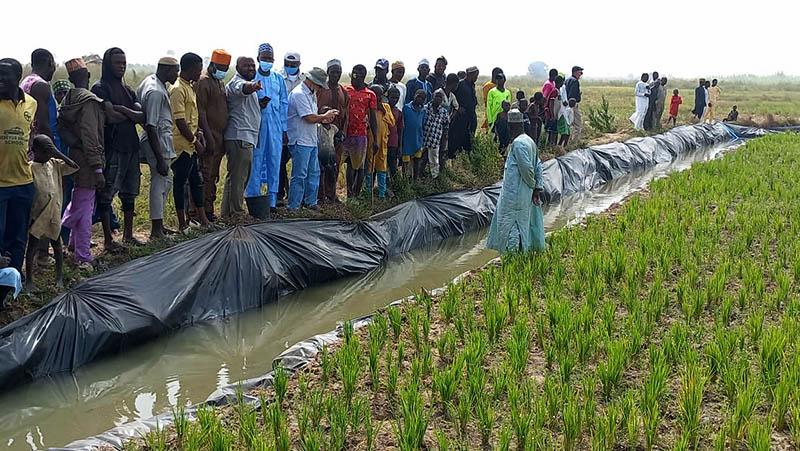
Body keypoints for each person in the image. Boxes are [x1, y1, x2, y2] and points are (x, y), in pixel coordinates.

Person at [91, 47, 144, 251]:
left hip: (131, 146)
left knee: (130, 192)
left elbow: (142, 116)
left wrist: (121, 109)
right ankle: (108, 239)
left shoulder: (128, 90)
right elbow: (110, 117)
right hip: (113, 147)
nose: (121, 66)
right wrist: (129, 114)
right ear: (107, 64)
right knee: (107, 193)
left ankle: (128, 235)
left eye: (123, 62)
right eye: (117, 63)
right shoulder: (100, 88)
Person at [57, 58, 105, 271]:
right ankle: (83, 255)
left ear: (70, 79)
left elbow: (62, 128)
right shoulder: (89, 101)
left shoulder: (67, 100)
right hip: (88, 160)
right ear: (87, 76)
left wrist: (73, 143)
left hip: (74, 155)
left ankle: (73, 244)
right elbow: (91, 136)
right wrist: (97, 167)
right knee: (84, 208)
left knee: (80, 199)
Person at [487, 108, 545, 254]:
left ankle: (513, 255)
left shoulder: (518, 144)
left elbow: (527, 169)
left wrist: (532, 185)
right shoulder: (529, 141)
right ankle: (520, 252)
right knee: (522, 221)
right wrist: (536, 188)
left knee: (511, 223)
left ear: (511, 126)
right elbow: (538, 165)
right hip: (523, 192)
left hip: (515, 194)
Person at [0, 58, 38, 272]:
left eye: (4, 74)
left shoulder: (31, 104)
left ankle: (13, 278)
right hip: (0, 184)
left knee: (18, 235)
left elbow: (32, 136)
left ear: (18, 77)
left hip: (23, 181)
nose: (0, 78)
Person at [27, 133, 78, 287]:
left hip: (54, 213)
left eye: (51, 151)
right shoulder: (30, 168)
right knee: (32, 247)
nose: (49, 154)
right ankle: (29, 280)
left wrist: (57, 153)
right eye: (46, 151)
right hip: (38, 214)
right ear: (35, 150)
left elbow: (74, 166)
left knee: (56, 245)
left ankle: (59, 278)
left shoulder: (55, 164)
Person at [137, 57, 179, 240]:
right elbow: (151, 125)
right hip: (158, 139)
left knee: (165, 181)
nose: (177, 74)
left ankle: (159, 225)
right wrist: (160, 158)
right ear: (166, 70)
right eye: (175, 71)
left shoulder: (152, 82)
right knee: (160, 182)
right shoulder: (155, 91)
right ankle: (156, 230)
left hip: (160, 138)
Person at [170, 53, 212, 231]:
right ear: (188, 68)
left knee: (196, 181)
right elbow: (180, 121)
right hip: (181, 146)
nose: (200, 72)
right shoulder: (178, 89)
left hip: (191, 144)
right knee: (180, 184)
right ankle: (182, 224)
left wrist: (199, 133)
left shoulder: (190, 87)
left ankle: (203, 221)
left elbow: (190, 118)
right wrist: (195, 141)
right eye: (198, 68)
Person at [287, 67, 337, 210]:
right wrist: (325, 116)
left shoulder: (310, 94)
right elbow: (309, 118)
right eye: (320, 85)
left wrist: (324, 116)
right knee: (300, 174)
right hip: (300, 140)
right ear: (312, 82)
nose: (320, 88)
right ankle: (294, 206)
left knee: (313, 172)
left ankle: (311, 202)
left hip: (310, 139)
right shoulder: (299, 94)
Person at [248, 43, 288, 213]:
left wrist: (284, 128)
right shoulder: (252, 78)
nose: (267, 61)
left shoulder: (278, 78)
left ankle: (271, 201)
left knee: (274, 161)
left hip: (276, 126)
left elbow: (284, 102)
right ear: (258, 59)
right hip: (257, 125)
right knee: (256, 161)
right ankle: (254, 200)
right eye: (264, 58)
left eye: (270, 59)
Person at [221, 57, 262, 217]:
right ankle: (236, 213)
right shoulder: (236, 83)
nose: (251, 68)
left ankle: (227, 213)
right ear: (237, 68)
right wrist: (253, 86)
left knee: (237, 177)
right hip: (240, 137)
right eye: (246, 66)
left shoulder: (244, 83)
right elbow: (243, 88)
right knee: (238, 178)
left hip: (246, 137)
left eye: (253, 65)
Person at [196, 49, 231, 221]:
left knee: (213, 176)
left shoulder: (219, 82)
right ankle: (198, 212)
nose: (223, 70)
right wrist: (208, 137)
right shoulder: (204, 82)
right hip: (209, 137)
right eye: (220, 67)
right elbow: (201, 112)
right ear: (212, 65)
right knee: (205, 175)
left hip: (219, 138)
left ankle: (209, 209)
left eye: (226, 67)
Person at [316, 59, 350, 203]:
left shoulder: (343, 91)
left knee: (334, 165)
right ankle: (320, 195)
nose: (336, 74)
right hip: (322, 133)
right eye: (333, 72)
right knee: (321, 166)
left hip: (337, 134)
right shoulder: (321, 89)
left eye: (338, 72)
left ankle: (332, 194)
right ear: (328, 72)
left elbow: (346, 113)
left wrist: (343, 131)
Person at [344, 64, 378, 198]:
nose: (353, 78)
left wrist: (375, 139)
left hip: (360, 134)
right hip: (345, 133)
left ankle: (355, 195)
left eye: (356, 76)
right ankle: (347, 193)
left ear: (362, 77)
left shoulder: (370, 95)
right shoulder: (346, 90)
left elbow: (373, 118)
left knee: (357, 166)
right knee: (341, 165)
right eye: (352, 75)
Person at [20, 49, 62, 151]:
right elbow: (42, 124)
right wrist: (54, 152)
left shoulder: (26, 82)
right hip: (40, 150)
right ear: (49, 63)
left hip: (28, 145)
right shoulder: (41, 85)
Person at [278, 52, 304, 203]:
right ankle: (281, 194)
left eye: (293, 65)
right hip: (283, 127)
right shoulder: (279, 77)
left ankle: (297, 196)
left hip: (300, 128)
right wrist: (283, 129)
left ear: (299, 65)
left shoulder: (305, 80)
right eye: (288, 64)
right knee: (280, 163)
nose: (290, 67)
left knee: (299, 165)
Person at [365, 85, 395, 197]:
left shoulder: (386, 107)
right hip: (370, 141)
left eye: (380, 95)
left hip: (383, 142)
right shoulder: (368, 107)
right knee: (369, 165)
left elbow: (392, 122)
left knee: (382, 165)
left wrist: (383, 111)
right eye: (375, 94)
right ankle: (368, 192)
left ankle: (382, 193)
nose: (378, 97)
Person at [450, 66, 479, 157]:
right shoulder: (460, 84)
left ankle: (467, 155)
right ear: (470, 74)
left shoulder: (472, 85)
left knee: (469, 137)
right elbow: (451, 95)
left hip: (471, 115)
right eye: (475, 75)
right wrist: (458, 108)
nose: (476, 78)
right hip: (461, 117)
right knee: (458, 137)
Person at [422, 89, 449, 179]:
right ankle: (419, 174)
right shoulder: (425, 108)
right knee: (422, 157)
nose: (438, 99)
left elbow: (446, 123)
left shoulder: (443, 111)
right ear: (432, 97)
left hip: (435, 138)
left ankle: (435, 176)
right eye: (436, 96)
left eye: (440, 97)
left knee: (434, 158)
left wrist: (445, 134)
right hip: (424, 137)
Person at [402, 89, 427, 179]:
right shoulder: (406, 108)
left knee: (417, 160)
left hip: (418, 139)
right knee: (405, 161)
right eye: (418, 96)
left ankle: (415, 179)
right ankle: (405, 181)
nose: (420, 99)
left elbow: (423, 125)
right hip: (407, 140)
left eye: (422, 98)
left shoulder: (423, 111)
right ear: (414, 95)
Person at [317, 106, 338, 203]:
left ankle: (331, 197)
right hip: (321, 156)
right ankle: (321, 196)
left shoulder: (334, 128)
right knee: (321, 177)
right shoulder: (318, 127)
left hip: (332, 157)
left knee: (332, 177)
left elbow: (338, 136)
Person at [439, 73, 460, 172]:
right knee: (434, 148)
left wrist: (451, 117)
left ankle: (441, 170)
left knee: (443, 148)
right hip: (436, 125)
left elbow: (456, 107)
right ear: (453, 84)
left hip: (446, 125)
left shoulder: (451, 95)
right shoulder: (439, 93)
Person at [386, 86, 404, 179]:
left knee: (393, 166)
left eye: (397, 98)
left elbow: (400, 130)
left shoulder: (399, 112)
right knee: (382, 167)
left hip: (393, 143)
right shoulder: (383, 110)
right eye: (392, 97)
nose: (395, 100)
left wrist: (400, 146)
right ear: (387, 97)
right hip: (384, 143)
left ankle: (396, 186)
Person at [564, 66, 583, 142]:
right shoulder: (575, 81)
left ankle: (567, 141)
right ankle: (574, 142)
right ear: (575, 72)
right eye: (580, 72)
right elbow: (572, 94)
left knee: (569, 123)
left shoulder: (568, 80)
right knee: (577, 124)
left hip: (567, 104)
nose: (581, 74)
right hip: (573, 104)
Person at [544, 76, 565, 145]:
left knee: (555, 130)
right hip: (552, 115)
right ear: (560, 82)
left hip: (556, 114)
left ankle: (553, 145)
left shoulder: (558, 91)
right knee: (552, 131)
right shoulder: (555, 91)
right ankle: (550, 144)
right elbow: (551, 103)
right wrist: (552, 115)